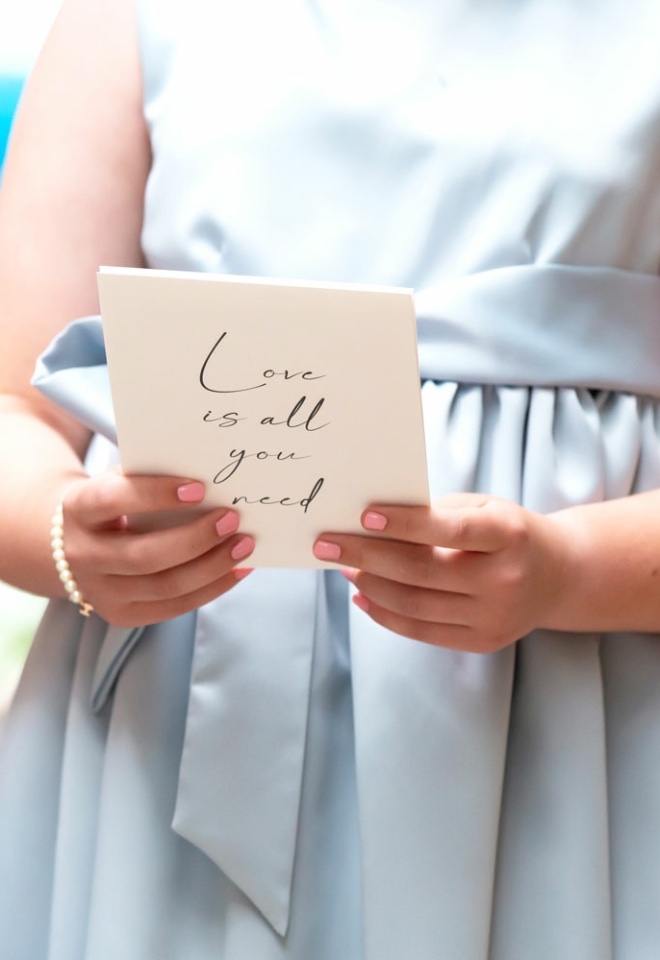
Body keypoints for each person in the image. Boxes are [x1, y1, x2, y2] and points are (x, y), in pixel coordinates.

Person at [2, 0, 660, 957]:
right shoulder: (126, 16)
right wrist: (64, 536)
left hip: (573, 725)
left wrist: (570, 570)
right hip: (164, 725)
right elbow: (17, 405)